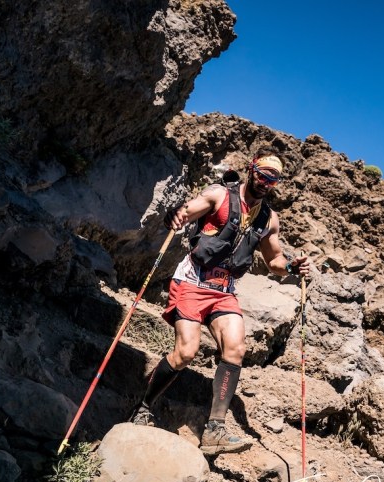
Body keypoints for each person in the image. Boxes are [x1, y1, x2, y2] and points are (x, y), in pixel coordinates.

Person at [130, 147, 310, 456]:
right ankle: (143, 407)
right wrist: (178, 215)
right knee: (186, 352)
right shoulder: (219, 195)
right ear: (252, 169)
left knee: (236, 349)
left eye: (273, 180)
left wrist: (292, 267)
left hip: (225, 290)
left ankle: (215, 430)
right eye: (263, 175)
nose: (266, 183)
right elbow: (189, 210)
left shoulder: (268, 219)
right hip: (192, 281)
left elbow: (274, 261)